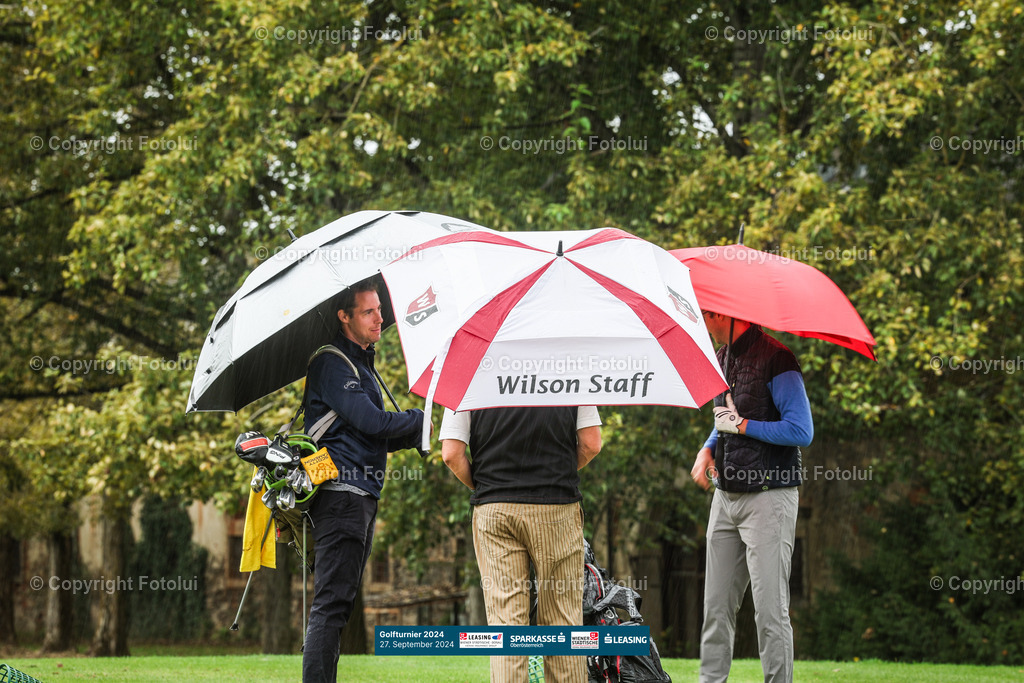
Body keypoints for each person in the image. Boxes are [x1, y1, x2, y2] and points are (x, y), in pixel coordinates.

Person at [302, 278, 427, 683]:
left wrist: (413, 434)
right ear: (345, 317)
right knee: (331, 607)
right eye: (369, 312)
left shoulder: (360, 365)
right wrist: (417, 420)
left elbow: (367, 437)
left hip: (359, 496)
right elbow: (373, 422)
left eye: (380, 310)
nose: (380, 318)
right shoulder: (331, 363)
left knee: (338, 605)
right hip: (341, 497)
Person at [690, 310, 813, 683]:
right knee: (716, 607)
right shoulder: (723, 357)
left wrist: (743, 425)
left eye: (707, 313)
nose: (703, 319)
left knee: (770, 611)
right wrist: (708, 446)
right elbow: (725, 418)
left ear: (723, 314)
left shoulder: (779, 360)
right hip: (726, 496)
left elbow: (800, 430)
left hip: (769, 497)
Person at [440, 405, 602, 683]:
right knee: (563, 624)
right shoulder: (571, 365)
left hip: (495, 508)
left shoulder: (466, 369)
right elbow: (591, 443)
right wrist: (554, 473)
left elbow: (452, 455)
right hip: (557, 506)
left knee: (507, 628)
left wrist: (486, 486)